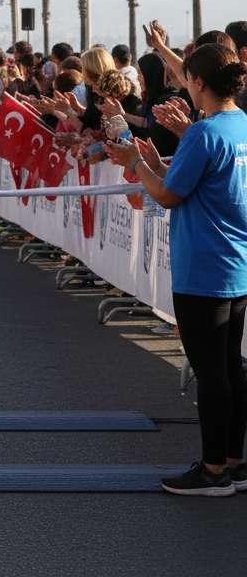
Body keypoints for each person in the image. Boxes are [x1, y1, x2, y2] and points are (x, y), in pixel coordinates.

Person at [106, 43, 247, 497]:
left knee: (214, 373)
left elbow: (168, 194)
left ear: (199, 83)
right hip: (235, 264)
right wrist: (154, 162)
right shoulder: (239, 124)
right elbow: (193, 177)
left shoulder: (205, 133)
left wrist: (136, 163)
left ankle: (212, 471)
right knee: (230, 368)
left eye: (186, 78)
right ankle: (232, 462)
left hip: (204, 267)